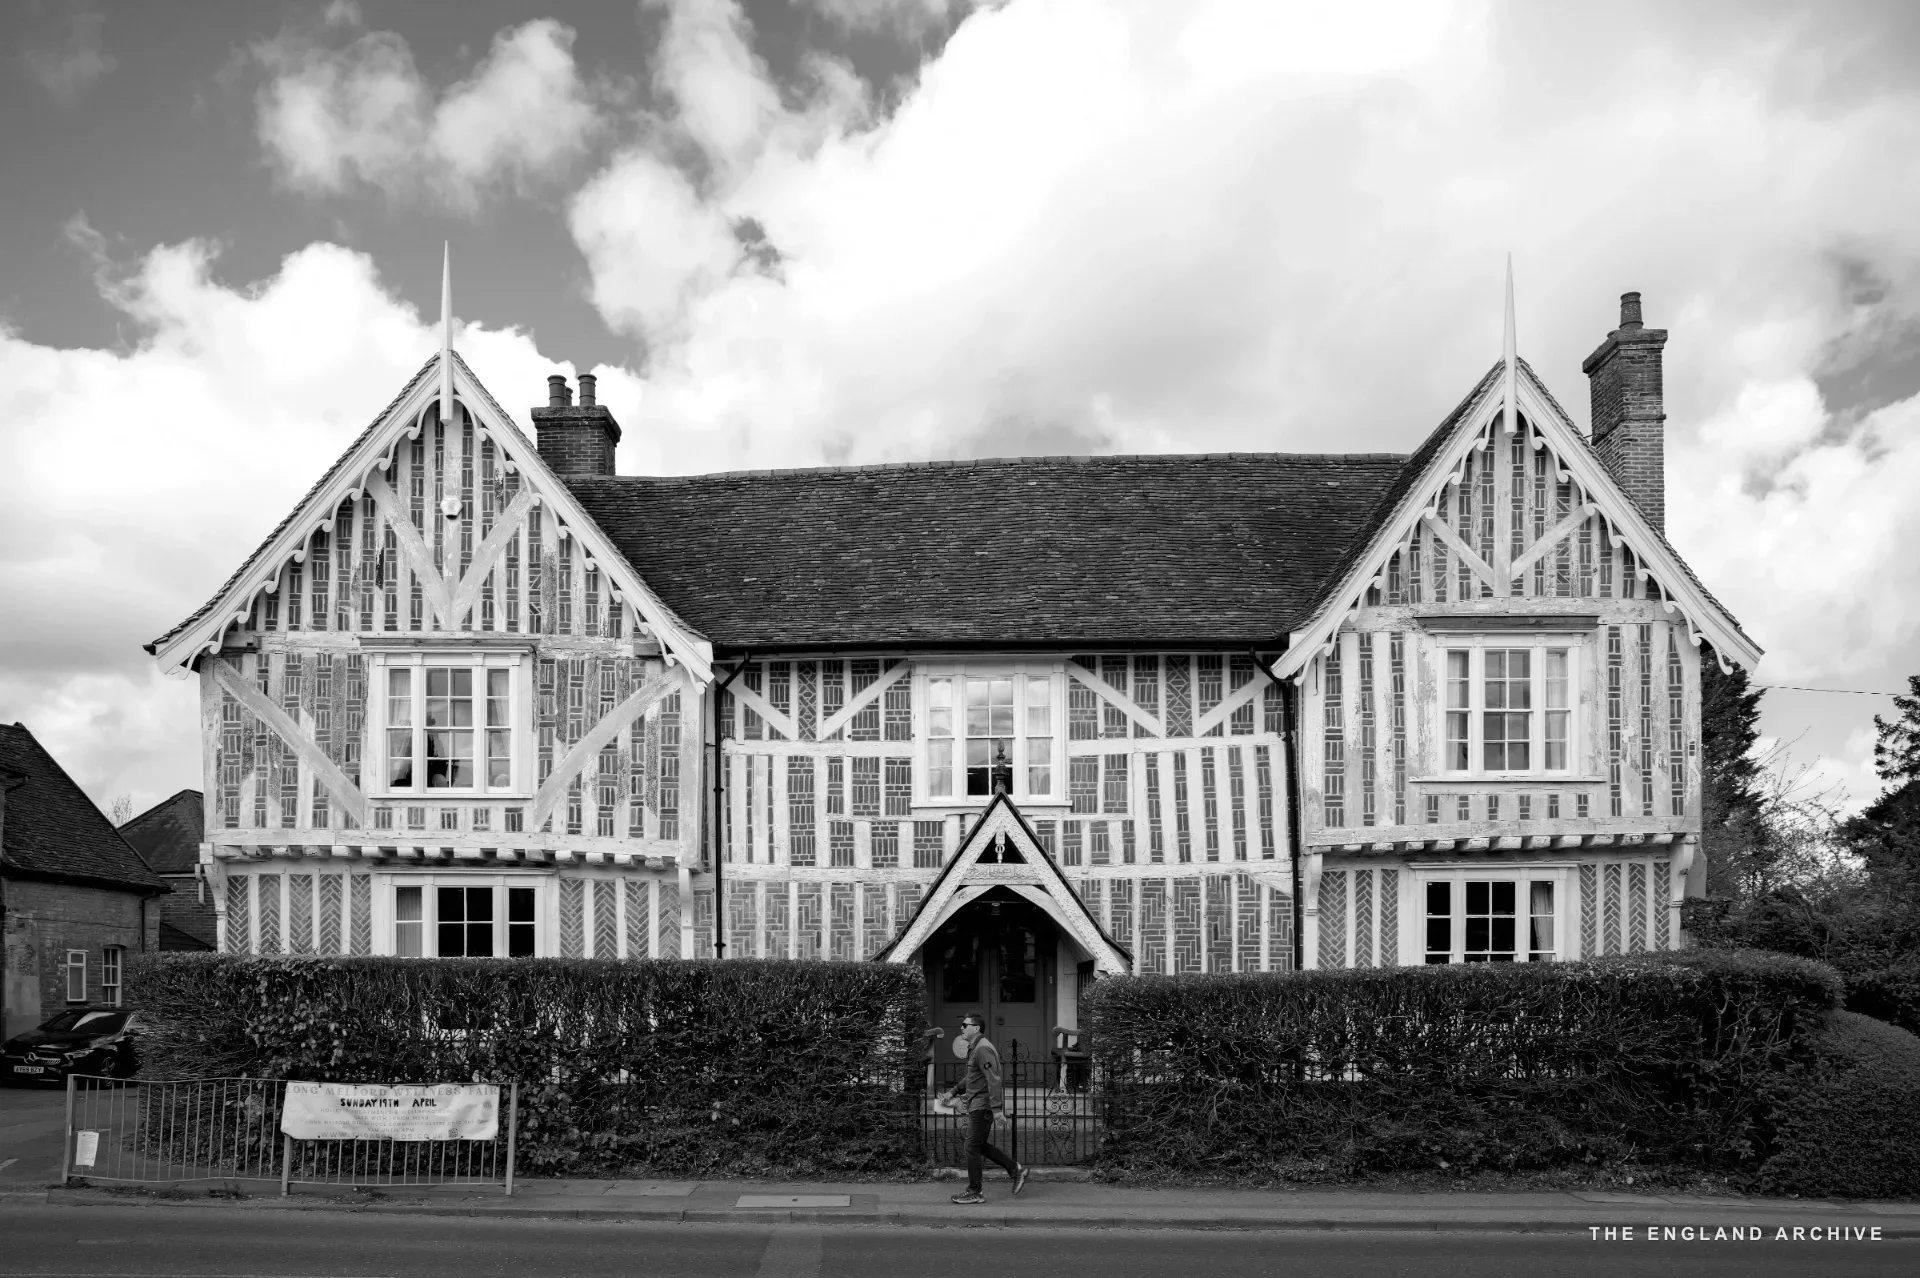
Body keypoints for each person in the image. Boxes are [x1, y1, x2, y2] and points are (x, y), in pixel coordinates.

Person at [943, 1013, 1028, 1204]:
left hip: (983, 1106)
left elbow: (994, 1080)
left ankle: (975, 1190)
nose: (962, 1028)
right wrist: (954, 1092)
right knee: (977, 1145)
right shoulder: (977, 1049)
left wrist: (997, 1109)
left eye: (965, 1025)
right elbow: (973, 1078)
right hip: (977, 1104)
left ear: (976, 1028)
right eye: (962, 1025)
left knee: (971, 1146)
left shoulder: (983, 1049)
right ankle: (1015, 1170)